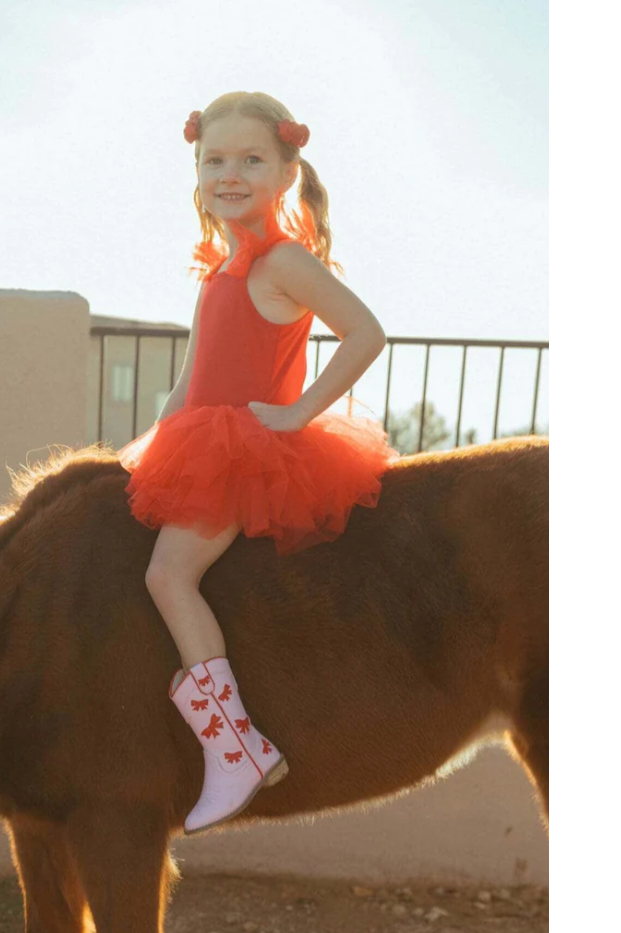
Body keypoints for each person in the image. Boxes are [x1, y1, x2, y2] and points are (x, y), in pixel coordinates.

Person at [118, 91, 399, 835]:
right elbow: (189, 381)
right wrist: (147, 448)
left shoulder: (283, 260)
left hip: (245, 455)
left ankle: (235, 746)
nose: (229, 173)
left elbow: (366, 333)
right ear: (198, 173)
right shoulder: (221, 267)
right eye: (215, 160)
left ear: (285, 172)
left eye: (250, 160)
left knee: (167, 574)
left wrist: (302, 412)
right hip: (199, 445)